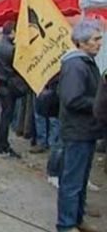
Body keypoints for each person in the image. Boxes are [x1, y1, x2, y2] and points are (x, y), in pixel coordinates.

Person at [56, 19, 103, 232]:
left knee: (81, 179)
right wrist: (99, 104)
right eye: (95, 39)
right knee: (72, 180)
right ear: (82, 43)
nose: (99, 43)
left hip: (86, 130)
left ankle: (77, 219)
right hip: (77, 130)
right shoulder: (76, 65)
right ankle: (66, 225)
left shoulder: (85, 62)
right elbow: (72, 99)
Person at [0, 21, 28, 158]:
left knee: (4, 116)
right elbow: (17, 66)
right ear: (12, 32)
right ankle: (2, 144)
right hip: (9, 84)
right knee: (7, 117)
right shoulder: (11, 49)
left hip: (2, 84)